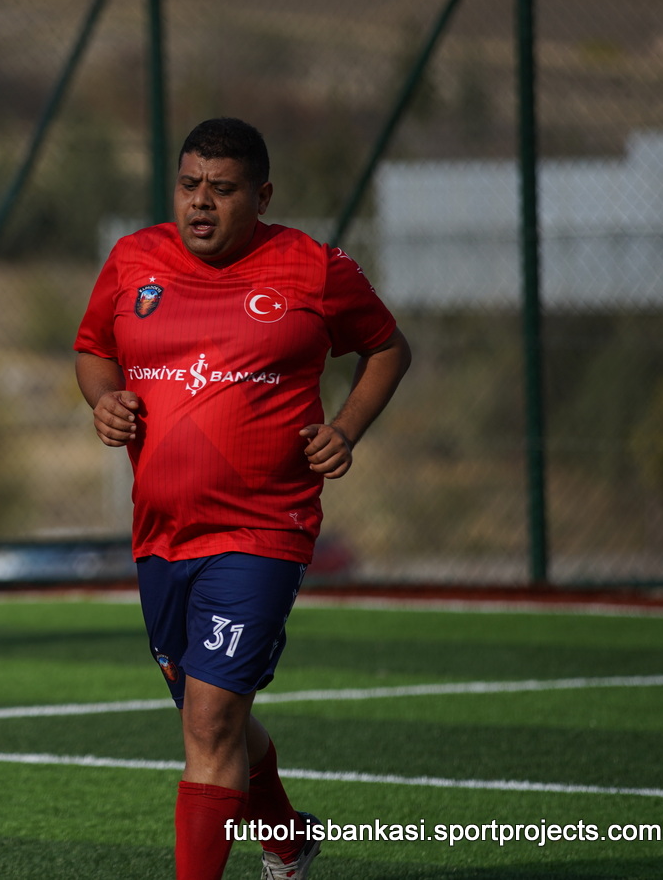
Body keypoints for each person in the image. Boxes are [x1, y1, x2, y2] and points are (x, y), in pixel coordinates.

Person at [74, 118, 411, 880]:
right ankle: (288, 836)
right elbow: (93, 348)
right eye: (189, 185)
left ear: (261, 196)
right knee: (212, 715)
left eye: (222, 189)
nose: (201, 202)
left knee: (211, 720)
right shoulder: (134, 259)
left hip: (263, 530)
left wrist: (346, 429)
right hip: (160, 532)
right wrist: (104, 398)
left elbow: (388, 347)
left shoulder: (312, 267)